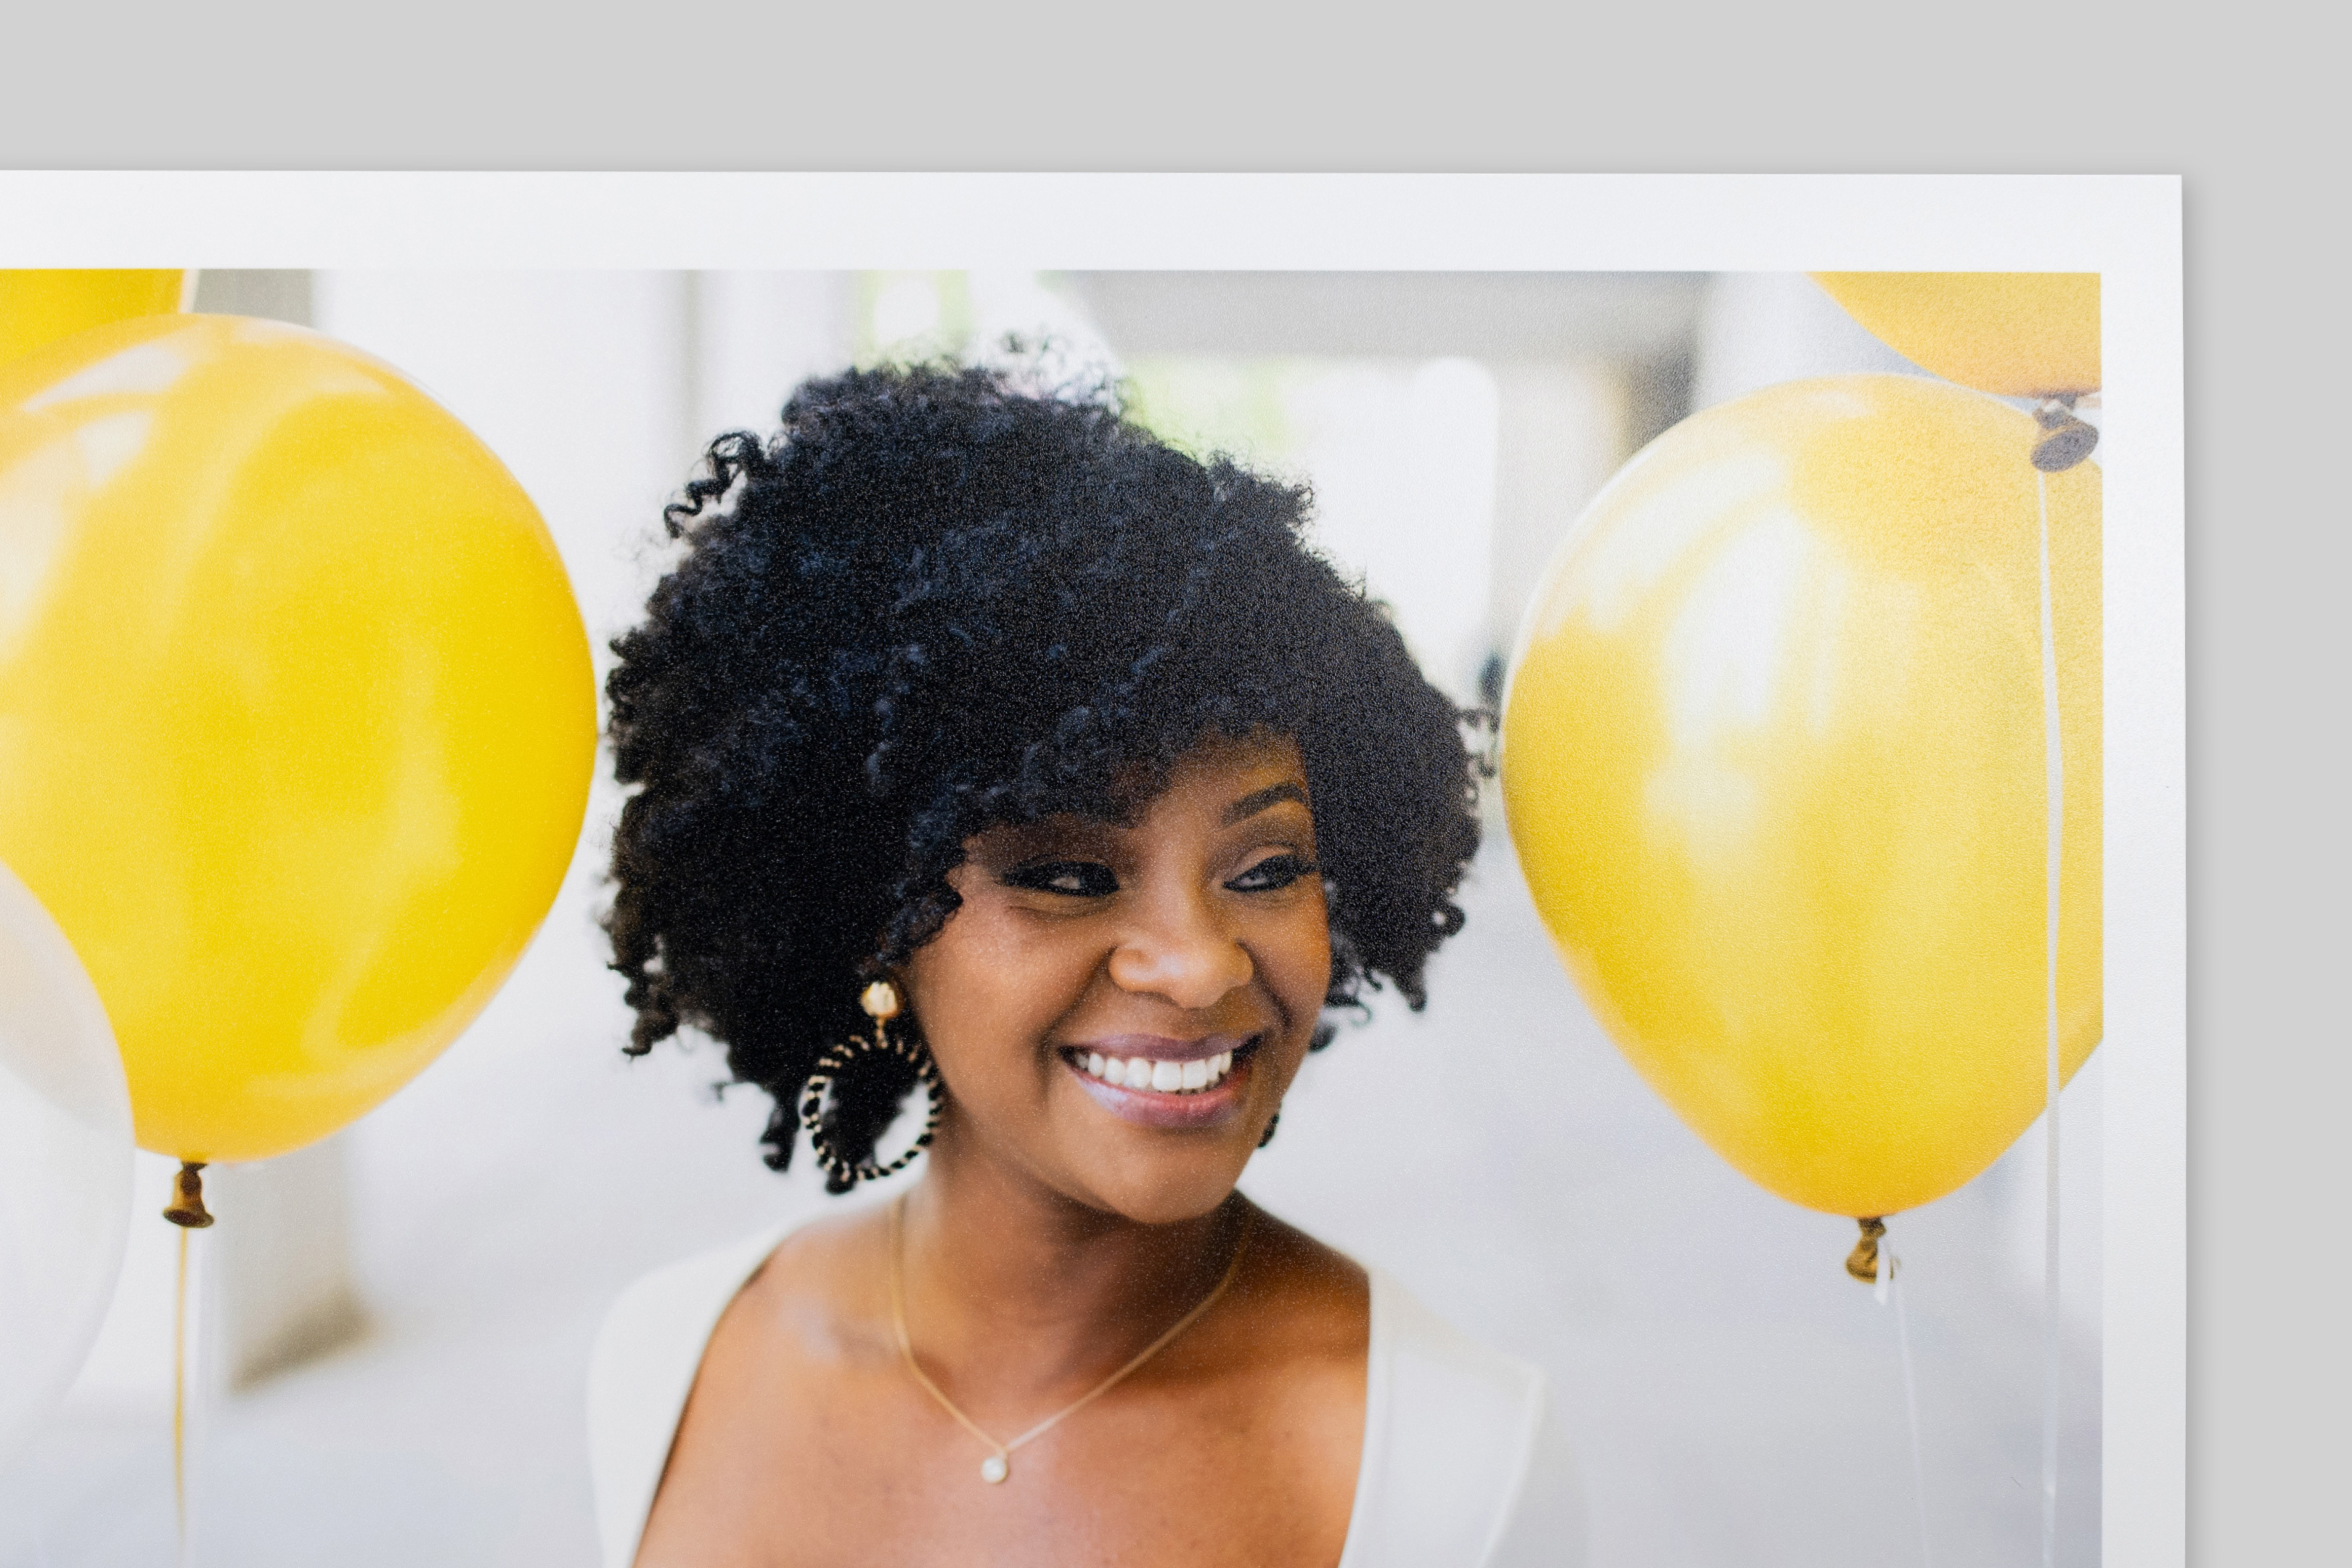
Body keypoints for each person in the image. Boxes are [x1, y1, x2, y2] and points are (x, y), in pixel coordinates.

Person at [589, 360, 1583, 1567]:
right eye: (1066, 874)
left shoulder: (1453, 1464)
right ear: (870, 912)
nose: (1200, 964)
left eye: (1267, 868)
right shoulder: (668, 1363)